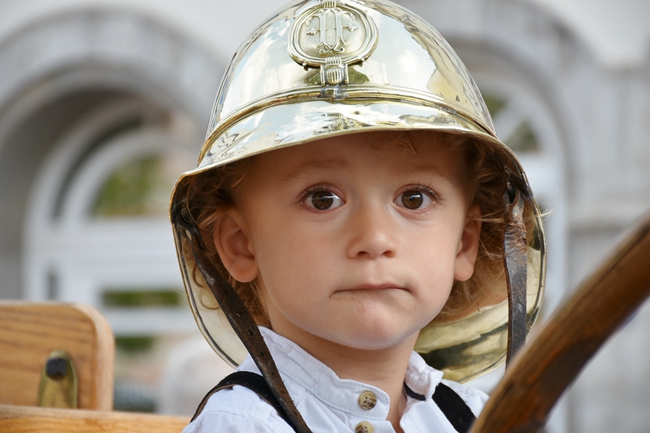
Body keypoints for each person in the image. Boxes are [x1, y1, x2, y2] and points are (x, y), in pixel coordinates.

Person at [169, 0, 546, 432]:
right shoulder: (241, 425)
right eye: (323, 199)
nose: (374, 237)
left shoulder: (475, 417)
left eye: (414, 199)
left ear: (464, 243)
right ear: (240, 244)